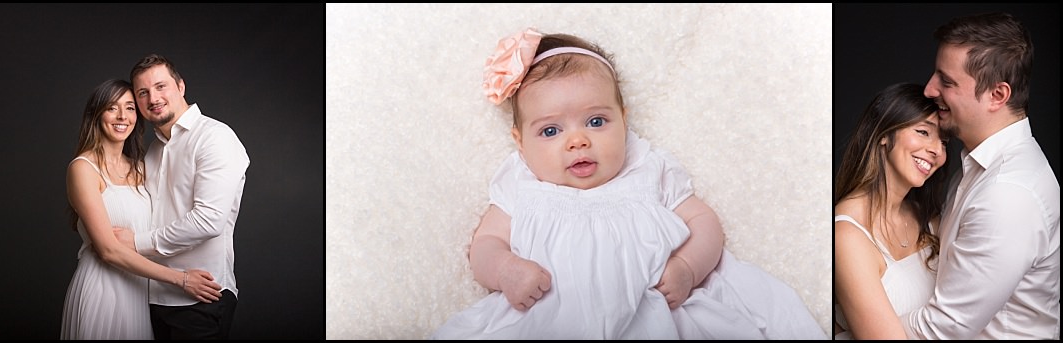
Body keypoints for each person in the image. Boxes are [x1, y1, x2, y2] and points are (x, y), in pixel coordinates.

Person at [431, 28, 825, 339]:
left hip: (655, 311)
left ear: (624, 117)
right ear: (520, 142)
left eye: (597, 121)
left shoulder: (646, 168)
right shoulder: (521, 183)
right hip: (547, 316)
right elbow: (485, 244)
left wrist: (687, 268)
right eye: (550, 130)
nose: (577, 140)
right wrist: (506, 272)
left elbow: (704, 222)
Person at [898, 12, 1060, 339]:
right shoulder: (976, 165)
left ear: (997, 96)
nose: (929, 89)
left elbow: (943, 330)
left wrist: (844, 331)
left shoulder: (1008, 193)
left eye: (947, 81)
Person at [61, 79, 223, 340]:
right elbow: (108, 250)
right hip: (103, 289)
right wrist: (181, 279)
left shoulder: (141, 167)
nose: (122, 116)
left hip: (139, 292)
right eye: (112, 108)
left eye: (130, 107)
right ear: (96, 114)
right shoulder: (82, 168)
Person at [114, 54, 250, 339]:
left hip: (201, 298)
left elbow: (209, 220)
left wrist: (135, 243)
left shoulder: (215, 137)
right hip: (151, 296)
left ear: (181, 86)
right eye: (143, 92)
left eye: (161, 86)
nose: (153, 98)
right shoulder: (153, 151)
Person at [832, 82, 951, 339]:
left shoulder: (930, 220)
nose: (937, 150)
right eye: (923, 132)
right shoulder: (846, 236)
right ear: (883, 134)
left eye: (944, 141)